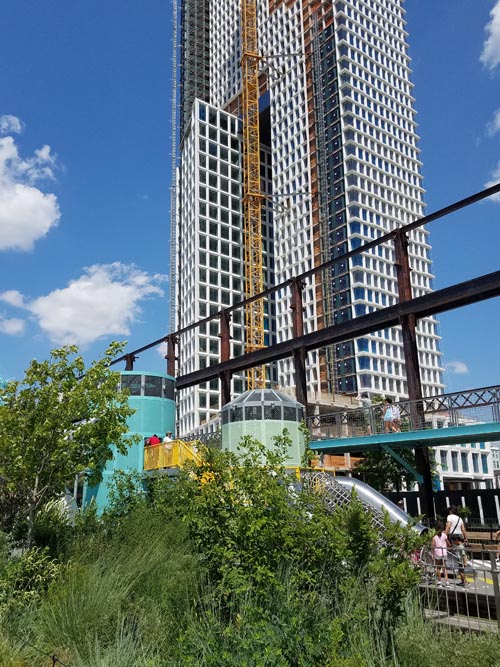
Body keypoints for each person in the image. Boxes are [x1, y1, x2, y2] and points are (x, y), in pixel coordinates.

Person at [432, 521, 450, 587]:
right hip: (444, 552)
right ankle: (447, 581)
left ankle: (439, 581)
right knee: (444, 567)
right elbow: (448, 543)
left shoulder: (434, 537)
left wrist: (433, 555)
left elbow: (433, 546)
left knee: (438, 568)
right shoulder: (444, 535)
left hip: (437, 553)